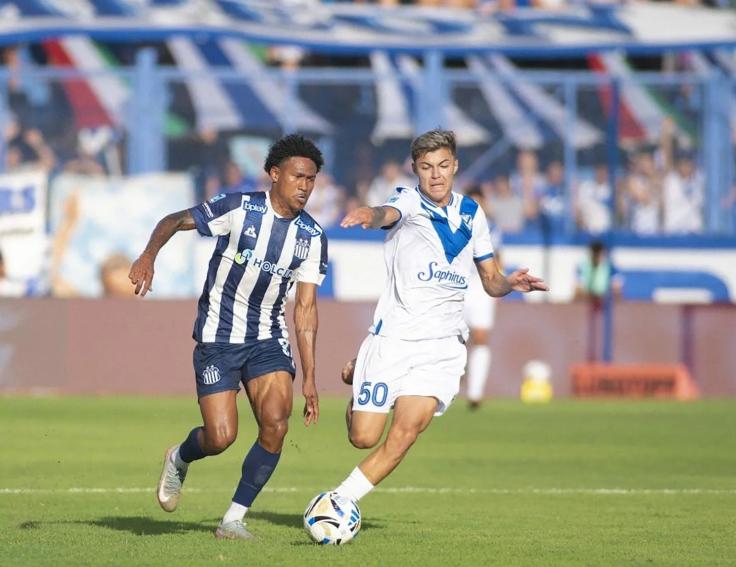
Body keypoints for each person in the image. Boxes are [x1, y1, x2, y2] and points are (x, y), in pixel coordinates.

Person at [331, 129, 547, 506]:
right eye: (427, 166)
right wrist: (370, 214)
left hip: (442, 346)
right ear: (415, 169)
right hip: (394, 339)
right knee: (363, 437)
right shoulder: (408, 201)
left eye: (443, 165)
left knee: (404, 434)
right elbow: (388, 213)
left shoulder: (473, 214)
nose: (435, 174)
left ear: (455, 166)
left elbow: (490, 281)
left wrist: (509, 284)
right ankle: (362, 373)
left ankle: (338, 502)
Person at [128, 134, 327, 540]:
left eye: (311, 179)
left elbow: (305, 309)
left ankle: (233, 519)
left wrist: (309, 376)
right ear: (275, 174)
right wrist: (149, 255)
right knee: (220, 437)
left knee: (276, 424)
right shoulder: (238, 208)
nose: (305, 186)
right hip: (219, 337)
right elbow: (174, 220)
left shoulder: (312, 236)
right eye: (298, 176)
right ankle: (180, 456)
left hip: (268, 338)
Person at [462, 186, 503, 409]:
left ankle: (475, 393)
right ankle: (450, 384)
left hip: (481, 285)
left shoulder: (492, 227)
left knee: (480, 338)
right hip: (457, 284)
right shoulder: (453, 223)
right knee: (454, 338)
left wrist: (497, 285)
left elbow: (498, 257)